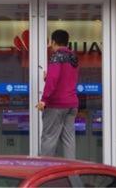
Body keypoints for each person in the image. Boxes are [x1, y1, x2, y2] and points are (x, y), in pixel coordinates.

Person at [36, 29, 79, 159]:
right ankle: (71, 169)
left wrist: (44, 100)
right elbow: (67, 79)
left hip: (56, 104)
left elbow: (53, 79)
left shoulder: (57, 56)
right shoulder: (73, 57)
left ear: (54, 42)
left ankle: (46, 168)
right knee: (68, 139)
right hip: (72, 104)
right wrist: (48, 78)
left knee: (49, 138)